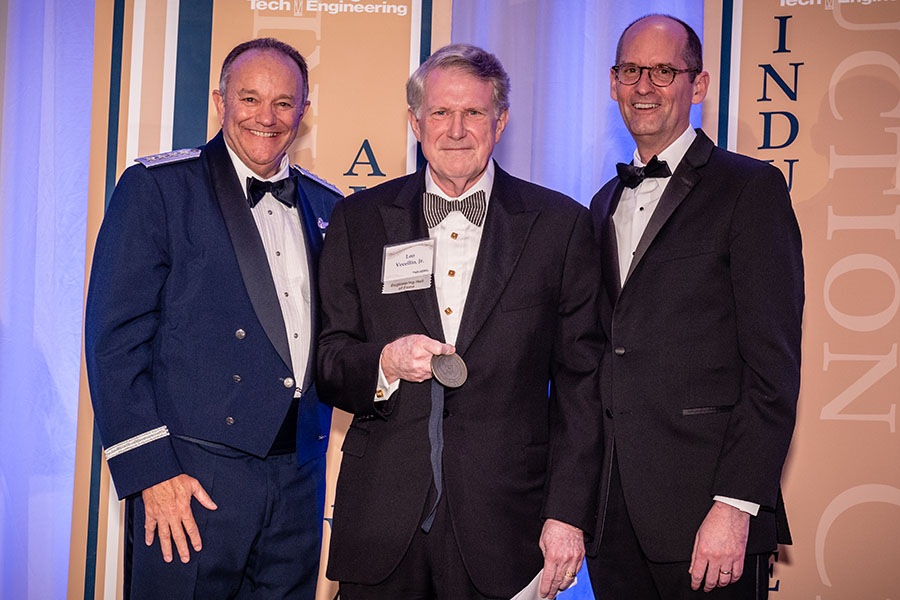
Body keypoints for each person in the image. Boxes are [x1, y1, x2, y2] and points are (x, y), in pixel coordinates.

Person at [316, 43, 604, 600]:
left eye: (473, 113)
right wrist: (385, 363)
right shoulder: (358, 221)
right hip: (382, 520)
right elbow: (328, 361)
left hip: (508, 525)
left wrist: (568, 514)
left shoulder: (558, 226)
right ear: (414, 122)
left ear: (500, 122)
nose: (455, 129)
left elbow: (582, 385)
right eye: (441, 113)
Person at [84, 37, 340, 599]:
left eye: (283, 102)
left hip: (297, 482)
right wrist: (152, 470)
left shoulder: (330, 206)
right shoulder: (159, 188)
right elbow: (113, 341)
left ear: (303, 110)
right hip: (190, 480)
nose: (266, 118)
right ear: (221, 102)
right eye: (249, 98)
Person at [586, 14, 804, 600]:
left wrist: (734, 506)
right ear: (612, 83)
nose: (645, 86)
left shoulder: (749, 188)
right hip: (614, 518)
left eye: (664, 71)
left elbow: (773, 369)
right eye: (631, 70)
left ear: (698, 85)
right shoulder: (603, 200)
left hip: (708, 516)